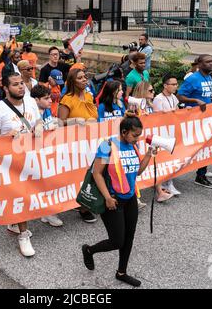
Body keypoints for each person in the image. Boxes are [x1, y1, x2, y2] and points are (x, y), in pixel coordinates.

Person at [82, 112, 155, 287]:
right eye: (134, 135)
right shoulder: (108, 146)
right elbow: (97, 173)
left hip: (130, 198)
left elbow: (137, 172)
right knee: (117, 241)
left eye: (139, 135)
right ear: (124, 132)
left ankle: (121, 272)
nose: (137, 138)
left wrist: (149, 155)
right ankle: (89, 250)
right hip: (112, 199)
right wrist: (107, 197)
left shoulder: (133, 147)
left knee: (128, 239)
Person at [0, 73, 43, 257]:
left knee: (27, 195)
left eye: (21, 84)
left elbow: (37, 121)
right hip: (10, 163)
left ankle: (14, 222)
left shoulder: (31, 102)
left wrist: (40, 126)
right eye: (15, 84)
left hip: (31, 156)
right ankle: (23, 235)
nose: (20, 87)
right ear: (5, 88)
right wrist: (5, 137)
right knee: (21, 196)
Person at [58, 68, 98, 223]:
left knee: (92, 172)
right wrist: (75, 121)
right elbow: (60, 122)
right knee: (80, 174)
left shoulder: (89, 95)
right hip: (75, 143)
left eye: (85, 77)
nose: (84, 80)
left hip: (92, 139)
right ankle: (82, 207)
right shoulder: (67, 99)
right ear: (72, 82)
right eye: (80, 78)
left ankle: (88, 200)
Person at [177, 54, 212, 189]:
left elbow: (207, 96)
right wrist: (195, 101)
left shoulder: (209, 78)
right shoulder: (193, 79)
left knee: (206, 147)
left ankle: (201, 173)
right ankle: (196, 174)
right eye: (207, 62)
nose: (211, 64)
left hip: (209, 118)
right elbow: (179, 96)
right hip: (196, 120)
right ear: (199, 64)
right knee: (195, 147)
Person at [30, 84, 63, 226]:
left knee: (50, 182)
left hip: (49, 151)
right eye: (46, 98)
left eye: (50, 97)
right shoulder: (31, 114)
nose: (50, 100)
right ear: (36, 100)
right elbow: (32, 134)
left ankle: (47, 213)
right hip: (36, 153)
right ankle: (47, 212)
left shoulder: (47, 111)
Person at [153, 74, 181, 196]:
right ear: (165, 85)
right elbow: (156, 117)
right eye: (173, 84)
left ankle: (169, 183)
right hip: (162, 133)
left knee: (171, 157)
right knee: (163, 158)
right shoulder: (159, 99)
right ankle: (165, 183)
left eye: (176, 84)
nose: (176, 86)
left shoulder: (174, 97)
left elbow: (177, 110)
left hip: (171, 131)